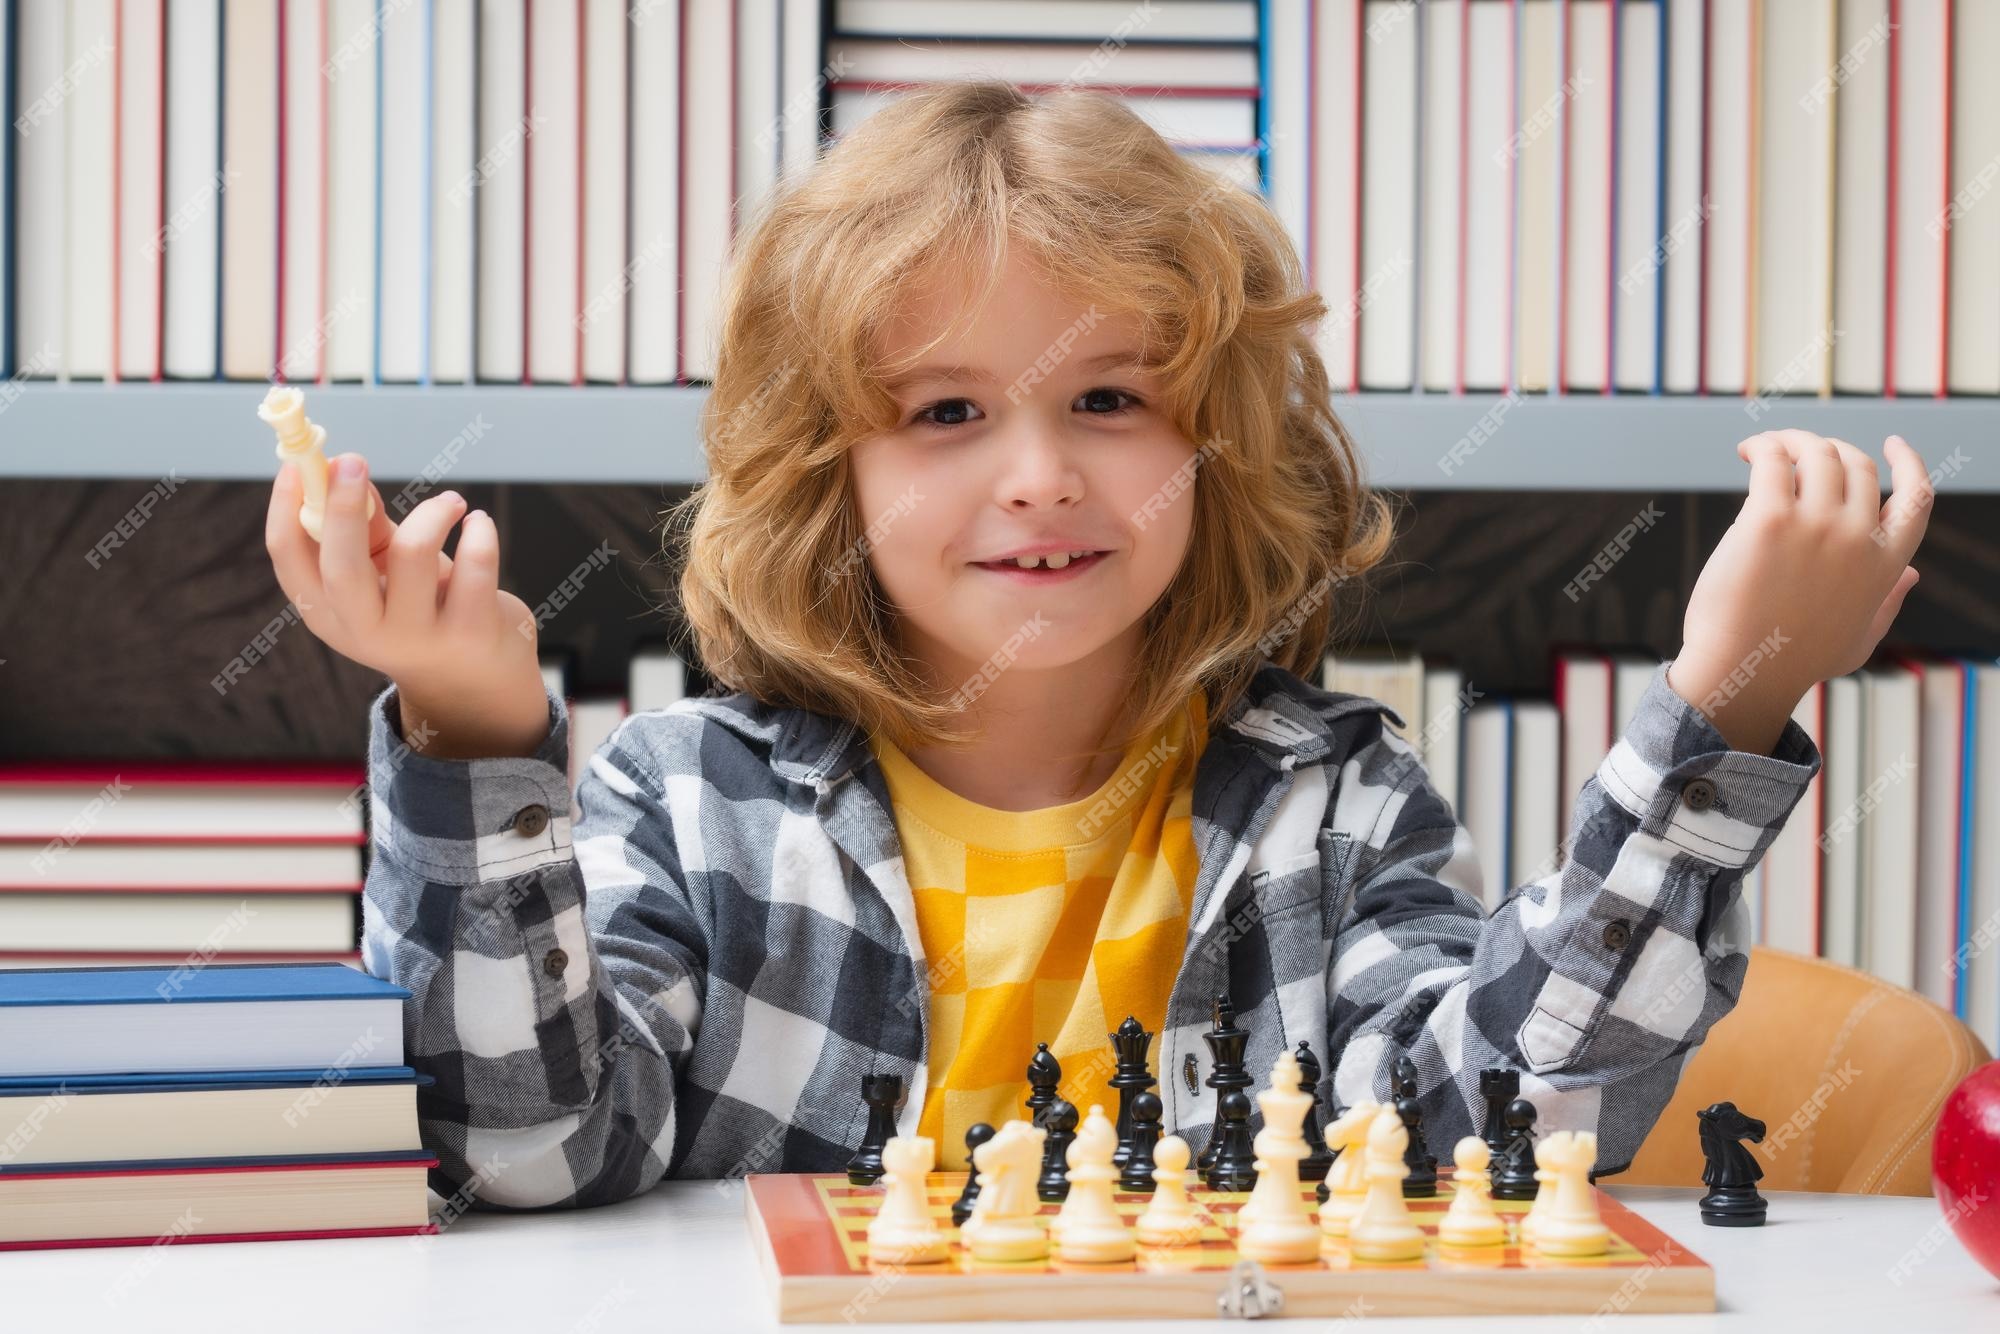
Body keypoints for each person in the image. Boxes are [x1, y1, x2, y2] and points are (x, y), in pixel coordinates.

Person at [263, 80, 1929, 1210]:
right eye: (947, 411)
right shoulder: (685, 804)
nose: (1042, 472)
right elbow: (529, 1145)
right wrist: (480, 727)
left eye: (1111, 399)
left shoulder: (1333, 810)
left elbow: (1493, 1142)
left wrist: (1733, 703)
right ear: (820, 470)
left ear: (1219, 445)